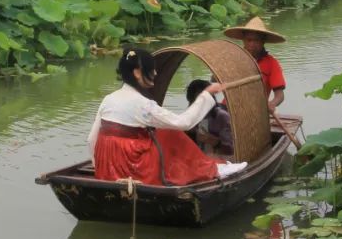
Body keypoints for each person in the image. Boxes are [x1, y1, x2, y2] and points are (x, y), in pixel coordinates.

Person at [87, 48, 248, 186]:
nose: (155, 73)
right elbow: (184, 123)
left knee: (160, 132)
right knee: (170, 133)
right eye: (151, 69)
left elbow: (91, 139)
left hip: (107, 170)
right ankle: (211, 169)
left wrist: (99, 167)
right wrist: (206, 94)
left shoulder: (108, 99)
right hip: (135, 169)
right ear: (137, 73)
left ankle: (207, 166)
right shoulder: (144, 105)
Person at [223, 17, 287, 114]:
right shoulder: (234, 59)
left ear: (263, 41)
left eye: (256, 40)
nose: (252, 44)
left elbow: (280, 95)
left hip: (254, 113)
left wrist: (272, 103)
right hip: (228, 109)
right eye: (249, 40)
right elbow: (215, 80)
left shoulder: (271, 63)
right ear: (243, 40)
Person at [185, 79, 234, 156]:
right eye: (193, 102)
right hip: (198, 158)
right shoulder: (192, 115)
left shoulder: (222, 116)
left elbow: (232, 150)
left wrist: (212, 140)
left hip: (220, 159)